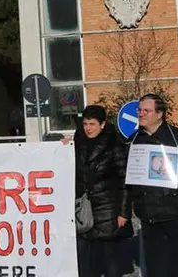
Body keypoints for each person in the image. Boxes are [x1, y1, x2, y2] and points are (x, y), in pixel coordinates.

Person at [128, 93, 178, 277]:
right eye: (139, 110)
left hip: (175, 215)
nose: (141, 114)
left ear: (159, 114)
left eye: (146, 110)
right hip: (149, 217)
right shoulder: (133, 141)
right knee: (155, 269)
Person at [63, 105, 134, 277]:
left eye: (92, 124)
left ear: (102, 124)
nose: (88, 128)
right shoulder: (78, 141)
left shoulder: (113, 144)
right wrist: (64, 147)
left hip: (108, 209)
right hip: (84, 209)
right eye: (85, 124)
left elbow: (125, 180)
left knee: (110, 259)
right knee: (83, 259)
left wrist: (124, 212)